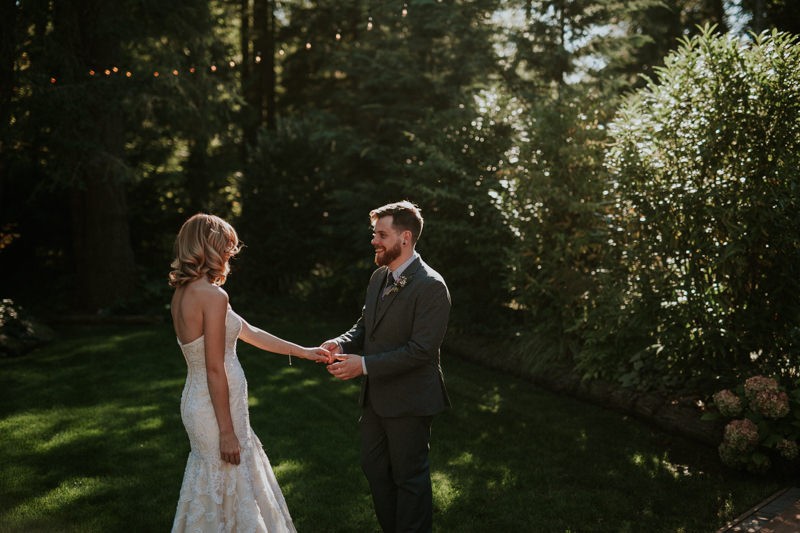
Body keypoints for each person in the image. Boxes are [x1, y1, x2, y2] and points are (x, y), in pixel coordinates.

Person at [168, 213, 331, 533]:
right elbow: (215, 369)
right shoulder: (213, 296)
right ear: (210, 246)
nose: (231, 251)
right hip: (217, 411)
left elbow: (249, 331)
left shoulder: (186, 292)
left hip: (199, 403)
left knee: (215, 486)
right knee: (226, 480)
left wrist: (304, 351)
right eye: (226, 245)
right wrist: (227, 432)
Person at [324, 201, 451, 533]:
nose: (374, 241)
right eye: (374, 233)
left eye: (382, 234)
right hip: (376, 399)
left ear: (405, 237)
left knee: (409, 479)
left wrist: (363, 365)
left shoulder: (432, 286)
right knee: (375, 468)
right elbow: (365, 326)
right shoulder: (379, 277)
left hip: (411, 400)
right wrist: (341, 342)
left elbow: (421, 351)